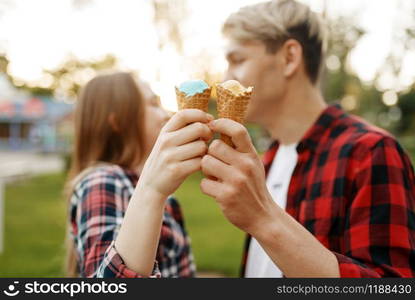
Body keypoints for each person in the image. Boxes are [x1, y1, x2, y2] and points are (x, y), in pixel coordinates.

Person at [200, 0, 415, 277]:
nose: (225, 78)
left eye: (237, 60)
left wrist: (263, 218)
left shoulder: (369, 153)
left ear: (289, 57)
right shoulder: (271, 157)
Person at [66, 72, 213, 277]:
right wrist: (152, 191)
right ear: (118, 122)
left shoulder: (161, 194)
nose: (165, 115)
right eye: (153, 104)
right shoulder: (103, 181)